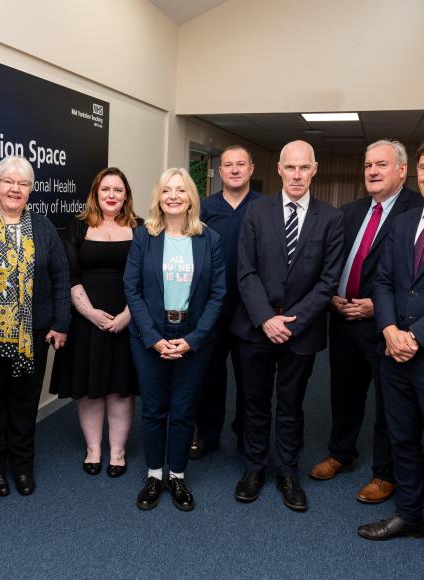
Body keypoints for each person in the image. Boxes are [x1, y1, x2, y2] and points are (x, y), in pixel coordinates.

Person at [232, 140, 343, 512]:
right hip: (256, 328)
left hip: (301, 332)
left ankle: (288, 474)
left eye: (303, 168)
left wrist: (291, 323)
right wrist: (266, 318)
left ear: (314, 170)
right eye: (290, 167)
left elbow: (328, 281)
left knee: (292, 406)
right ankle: (254, 469)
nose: (296, 175)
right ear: (279, 169)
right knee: (255, 402)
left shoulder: (330, 218)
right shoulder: (256, 212)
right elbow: (244, 271)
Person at [309, 140, 422, 504]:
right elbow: (332, 260)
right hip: (343, 318)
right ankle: (340, 453)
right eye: (368, 165)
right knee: (344, 392)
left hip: (387, 324)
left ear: (402, 171)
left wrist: (378, 308)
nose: (372, 171)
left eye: (382, 165)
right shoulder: (350, 211)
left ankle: (384, 474)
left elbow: (404, 277)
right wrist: (329, 297)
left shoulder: (415, 211)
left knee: (389, 403)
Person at [0, 155, 70, 497]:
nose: (15, 189)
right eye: (8, 182)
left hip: (33, 333)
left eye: (23, 183)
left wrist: (61, 323)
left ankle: (22, 466)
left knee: (25, 402)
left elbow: (60, 277)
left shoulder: (43, 227)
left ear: (30, 190)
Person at [124, 168, 226, 511]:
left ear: (191, 198)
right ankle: (154, 476)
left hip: (192, 338)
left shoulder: (209, 239)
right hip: (149, 337)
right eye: (167, 190)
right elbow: (132, 290)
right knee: (153, 410)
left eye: (180, 190)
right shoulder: (144, 236)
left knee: (183, 411)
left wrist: (194, 339)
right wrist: (153, 338)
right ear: (159, 196)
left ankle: (178, 477)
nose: (173, 196)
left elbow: (217, 294)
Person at [50, 168, 140, 477]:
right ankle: (93, 449)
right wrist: (89, 312)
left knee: (120, 388)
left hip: (128, 320)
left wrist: (129, 314)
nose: (112, 195)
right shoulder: (77, 227)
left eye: (118, 190)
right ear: (95, 193)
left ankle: (117, 451)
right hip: (85, 320)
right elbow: (69, 276)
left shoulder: (141, 228)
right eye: (106, 190)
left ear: (126, 194)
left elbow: (147, 277)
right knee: (90, 389)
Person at [358, 143, 424, 540]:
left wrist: (414, 335)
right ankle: (410, 514)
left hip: (416, 344)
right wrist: (388, 330)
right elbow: (382, 281)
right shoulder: (405, 221)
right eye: (422, 166)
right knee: (402, 436)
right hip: (394, 352)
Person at [190, 145, 261, 460]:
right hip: (213, 309)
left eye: (240, 164)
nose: (234, 170)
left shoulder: (264, 207)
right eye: (228, 165)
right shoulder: (204, 209)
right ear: (220, 172)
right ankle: (207, 434)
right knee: (209, 376)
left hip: (251, 310)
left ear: (251, 169)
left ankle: (247, 435)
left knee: (250, 379)